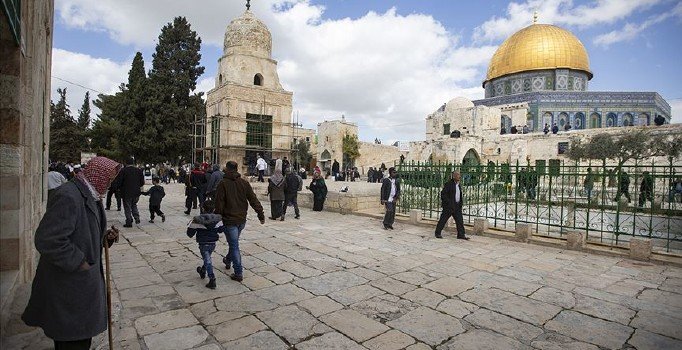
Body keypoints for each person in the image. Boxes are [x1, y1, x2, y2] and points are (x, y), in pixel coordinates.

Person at [22, 156, 121, 350]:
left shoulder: (90, 195)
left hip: (80, 288)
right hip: (69, 288)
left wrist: (105, 238)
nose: (110, 184)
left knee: (81, 338)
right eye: (108, 179)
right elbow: (48, 239)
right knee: (72, 341)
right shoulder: (68, 196)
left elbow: (82, 233)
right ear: (98, 175)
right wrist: (79, 262)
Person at [215, 161, 265, 282]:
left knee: (234, 245)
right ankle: (228, 260)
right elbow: (253, 199)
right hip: (241, 219)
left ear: (227, 169)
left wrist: (217, 218)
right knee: (234, 243)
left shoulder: (223, 184)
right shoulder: (244, 183)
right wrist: (260, 214)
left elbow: (219, 203)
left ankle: (238, 272)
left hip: (229, 220)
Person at [186, 199, 224, 289]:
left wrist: (191, 226)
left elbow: (190, 234)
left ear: (202, 208)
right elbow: (221, 230)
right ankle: (203, 270)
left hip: (203, 243)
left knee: (207, 260)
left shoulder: (197, 220)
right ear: (214, 209)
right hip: (213, 243)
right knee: (207, 258)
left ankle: (212, 279)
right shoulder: (217, 220)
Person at [434, 171, 469, 240]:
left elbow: (459, 195)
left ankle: (461, 235)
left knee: (460, 221)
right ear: (454, 176)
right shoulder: (448, 184)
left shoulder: (458, 185)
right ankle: (437, 233)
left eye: (459, 175)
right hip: (449, 207)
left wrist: (460, 203)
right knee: (443, 220)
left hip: (457, 206)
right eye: (458, 175)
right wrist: (449, 203)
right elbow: (443, 195)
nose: (459, 176)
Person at [114, 157, 144, 227]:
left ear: (126, 163)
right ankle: (137, 217)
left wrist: (117, 188)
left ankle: (129, 221)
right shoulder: (138, 170)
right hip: (136, 192)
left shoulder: (123, 171)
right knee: (134, 204)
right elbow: (142, 182)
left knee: (127, 206)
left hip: (126, 192)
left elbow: (119, 182)